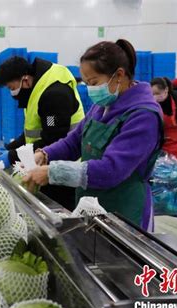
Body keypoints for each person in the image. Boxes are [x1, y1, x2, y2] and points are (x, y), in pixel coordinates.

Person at [24, 39, 163, 231]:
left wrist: (53, 172)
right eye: (87, 83)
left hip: (124, 211)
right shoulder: (102, 106)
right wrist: (45, 154)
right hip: (92, 205)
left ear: (119, 75)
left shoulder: (143, 116)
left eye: (94, 82)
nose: (90, 89)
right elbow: (74, 141)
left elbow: (112, 169)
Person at [0, 56, 85, 210]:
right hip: (44, 163)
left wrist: (12, 156)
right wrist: (10, 148)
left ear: (25, 79)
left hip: (64, 169)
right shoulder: (35, 90)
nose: (12, 93)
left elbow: (53, 138)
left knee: (59, 216)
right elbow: (32, 134)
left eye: (12, 88)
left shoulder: (54, 95)